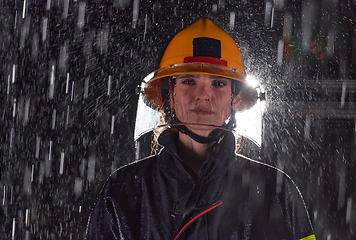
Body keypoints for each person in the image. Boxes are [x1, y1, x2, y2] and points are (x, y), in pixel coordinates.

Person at [86, 18, 316, 240]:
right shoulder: (124, 191)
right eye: (188, 81)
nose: (204, 95)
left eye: (218, 83)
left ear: (234, 100)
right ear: (169, 96)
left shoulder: (274, 191)